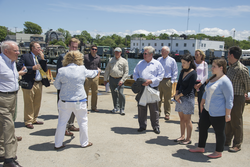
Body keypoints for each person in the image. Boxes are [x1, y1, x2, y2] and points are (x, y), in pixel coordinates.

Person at [54, 51, 101, 149]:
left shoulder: (61, 70)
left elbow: (57, 85)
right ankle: (84, 142)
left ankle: (58, 144)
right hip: (79, 100)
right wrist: (98, 71)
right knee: (83, 121)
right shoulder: (82, 69)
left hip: (65, 101)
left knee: (62, 122)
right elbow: (92, 73)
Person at [189, 58, 234, 158]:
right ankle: (201, 147)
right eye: (212, 66)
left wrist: (228, 114)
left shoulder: (225, 81)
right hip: (207, 109)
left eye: (214, 66)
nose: (211, 68)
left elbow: (229, 99)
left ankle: (218, 152)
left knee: (219, 132)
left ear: (221, 68)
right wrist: (202, 102)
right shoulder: (213, 78)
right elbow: (207, 90)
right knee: (202, 127)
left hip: (218, 112)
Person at [0, 41, 25, 167]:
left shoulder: (12, 62)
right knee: (9, 127)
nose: (18, 53)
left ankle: (1, 152)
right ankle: (9, 159)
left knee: (2, 127)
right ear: (6, 51)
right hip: (2, 98)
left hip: (12, 97)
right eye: (15, 51)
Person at [133, 46, 164, 134]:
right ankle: (142, 126)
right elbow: (135, 74)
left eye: (145, 53)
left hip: (152, 88)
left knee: (154, 109)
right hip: (142, 88)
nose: (144, 55)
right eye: (143, 53)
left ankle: (155, 127)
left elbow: (161, 76)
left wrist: (151, 81)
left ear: (151, 54)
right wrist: (140, 81)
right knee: (141, 108)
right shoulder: (140, 63)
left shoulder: (157, 64)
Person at [17, 41, 48, 129]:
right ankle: (28, 121)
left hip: (39, 83)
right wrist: (32, 68)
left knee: (37, 102)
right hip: (29, 83)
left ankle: (34, 118)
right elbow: (19, 67)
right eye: (38, 47)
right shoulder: (25, 56)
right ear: (32, 48)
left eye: (40, 47)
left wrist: (43, 59)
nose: (40, 49)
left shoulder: (39, 58)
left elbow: (45, 69)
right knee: (29, 102)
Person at [225, 46, 250, 152]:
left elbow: (248, 85)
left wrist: (246, 93)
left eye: (228, 54)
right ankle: (227, 140)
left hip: (237, 97)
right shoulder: (230, 67)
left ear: (231, 55)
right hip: (228, 97)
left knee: (236, 121)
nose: (227, 56)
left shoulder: (241, 69)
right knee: (228, 120)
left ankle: (237, 144)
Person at [56, 38, 80, 136]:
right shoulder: (62, 57)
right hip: (64, 88)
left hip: (74, 88)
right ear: (68, 46)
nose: (74, 49)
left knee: (74, 107)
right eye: (73, 47)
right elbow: (59, 73)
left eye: (76, 47)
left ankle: (71, 124)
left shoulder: (78, 57)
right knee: (64, 109)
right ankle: (64, 128)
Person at [174, 54, 197, 144]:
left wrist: (179, 95)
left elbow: (190, 88)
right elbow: (179, 84)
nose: (182, 64)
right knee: (181, 118)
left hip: (188, 98)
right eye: (182, 62)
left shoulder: (193, 73)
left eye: (184, 63)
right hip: (179, 98)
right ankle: (182, 136)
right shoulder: (182, 71)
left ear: (189, 62)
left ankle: (188, 138)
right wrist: (176, 94)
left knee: (188, 120)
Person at [104, 47, 128, 115]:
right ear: (114, 52)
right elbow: (107, 70)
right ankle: (116, 107)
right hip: (111, 79)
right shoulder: (110, 60)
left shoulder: (124, 61)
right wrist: (105, 79)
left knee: (121, 94)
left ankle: (122, 108)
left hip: (120, 79)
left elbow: (126, 72)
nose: (117, 53)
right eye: (116, 51)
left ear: (121, 52)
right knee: (114, 94)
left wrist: (122, 80)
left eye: (118, 52)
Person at [157, 46, 178, 120]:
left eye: (163, 51)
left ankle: (167, 113)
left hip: (167, 80)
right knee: (157, 97)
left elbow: (175, 71)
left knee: (167, 99)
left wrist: (172, 81)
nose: (161, 53)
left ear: (167, 52)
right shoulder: (158, 59)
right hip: (159, 80)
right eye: (161, 51)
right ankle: (157, 112)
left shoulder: (172, 60)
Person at [84, 44, 101, 112]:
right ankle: (85, 107)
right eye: (93, 49)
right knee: (85, 93)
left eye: (95, 49)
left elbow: (99, 67)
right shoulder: (85, 57)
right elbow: (82, 67)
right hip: (87, 77)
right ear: (90, 50)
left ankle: (94, 107)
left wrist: (98, 76)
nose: (94, 50)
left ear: (96, 50)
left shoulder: (98, 58)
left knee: (95, 92)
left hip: (95, 77)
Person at [194, 49, 208, 117]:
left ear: (201, 56)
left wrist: (200, 83)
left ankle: (201, 116)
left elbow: (206, 75)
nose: (196, 56)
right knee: (190, 99)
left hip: (201, 83)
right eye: (195, 54)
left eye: (197, 55)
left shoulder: (204, 64)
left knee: (200, 100)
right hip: (193, 83)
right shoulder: (192, 63)